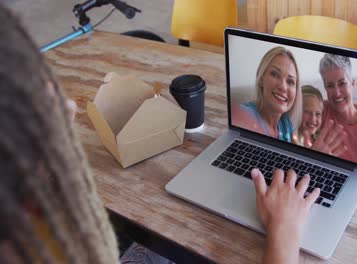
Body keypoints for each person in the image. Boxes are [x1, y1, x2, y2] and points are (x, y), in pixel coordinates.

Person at [0, 4, 319, 264]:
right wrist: (285, 234)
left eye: (292, 81)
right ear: (262, 79)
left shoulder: (290, 124)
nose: (68, 107)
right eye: (43, 100)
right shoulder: (248, 114)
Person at [232, 46, 302, 143]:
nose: (283, 87)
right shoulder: (246, 114)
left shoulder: (286, 124)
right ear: (261, 79)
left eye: (290, 82)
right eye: (274, 74)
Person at [319, 54, 357, 166]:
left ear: (352, 84)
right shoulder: (320, 111)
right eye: (330, 86)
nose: (337, 93)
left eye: (342, 83)